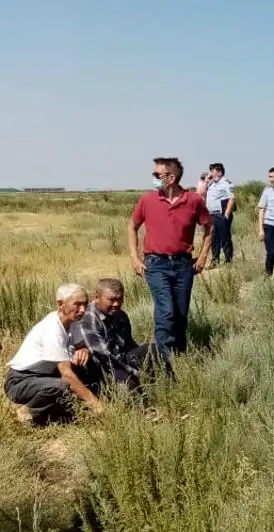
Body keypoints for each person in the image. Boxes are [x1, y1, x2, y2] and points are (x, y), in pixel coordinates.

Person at [128, 157, 212, 356]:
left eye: (157, 175)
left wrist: (202, 257)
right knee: (166, 310)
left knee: (180, 313)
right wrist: (134, 257)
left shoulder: (194, 201)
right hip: (155, 263)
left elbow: (209, 227)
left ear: (171, 177)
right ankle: (163, 360)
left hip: (183, 265)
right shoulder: (147, 199)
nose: (154, 178)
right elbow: (132, 226)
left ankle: (179, 355)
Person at [4, 284, 104, 425]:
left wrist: (83, 349)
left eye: (85, 304)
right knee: (62, 385)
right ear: (60, 304)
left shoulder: (73, 321)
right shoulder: (52, 328)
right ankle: (28, 413)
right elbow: (66, 375)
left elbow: (81, 345)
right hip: (21, 382)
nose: (82, 310)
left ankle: (55, 409)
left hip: (44, 376)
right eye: (77, 304)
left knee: (89, 362)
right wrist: (95, 404)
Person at [70, 278, 172, 392]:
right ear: (97, 297)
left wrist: (145, 363)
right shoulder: (89, 319)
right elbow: (106, 357)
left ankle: (171, 386)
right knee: (130, 386)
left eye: (120, 299)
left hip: (121, 359)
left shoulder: (121, 315)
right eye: (111, 299)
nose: (116, 304)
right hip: (104, 367)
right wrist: (137, 373)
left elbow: (129, 345)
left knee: (153, 349)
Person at [205, 162, 236, 267]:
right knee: (213, 238)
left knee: (225, 238)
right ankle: (215, 260)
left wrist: (226, 214)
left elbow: (232, 198)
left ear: (219, 172)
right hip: (211, 215)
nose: (211, 174)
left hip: (221, 214)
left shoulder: (226, 183)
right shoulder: (211, 184)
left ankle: (228, 260)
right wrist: (206, 181)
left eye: (212, 171)